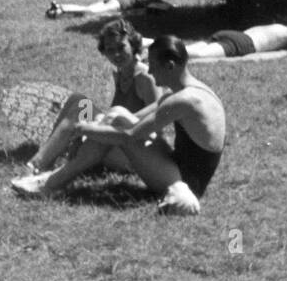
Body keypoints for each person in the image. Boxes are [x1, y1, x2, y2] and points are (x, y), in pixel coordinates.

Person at [11, 35, 226, 216]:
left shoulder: (184, 100)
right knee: (115, 114)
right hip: (182, 167)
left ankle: (50, 183)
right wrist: (99, 124)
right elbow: (134, 117)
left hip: (186, 180)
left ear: (170, 66)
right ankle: (49, 176)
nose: (150, 71)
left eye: (153, 65)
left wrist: (81, 130)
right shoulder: (191, 91)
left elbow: (130, 135)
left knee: (111, 123)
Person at [24, 18, 158, 175]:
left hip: (135, 150)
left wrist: (92, 130)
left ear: (134, 46)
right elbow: (112, 115)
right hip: (117, 140)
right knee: (79, 101)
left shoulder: (145, 78)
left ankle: (37, 165)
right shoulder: (120, 74)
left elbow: (158, 123)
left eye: (121, 47)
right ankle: (47, 156)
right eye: (110, 50)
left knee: (84, 116)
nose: (116, 54)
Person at [157, 23, 287, 59]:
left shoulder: (274, 26)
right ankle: (160, 50)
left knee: (194, 47)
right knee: (200, 54)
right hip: (244, 43)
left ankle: (153, 45)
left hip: (233, 34)